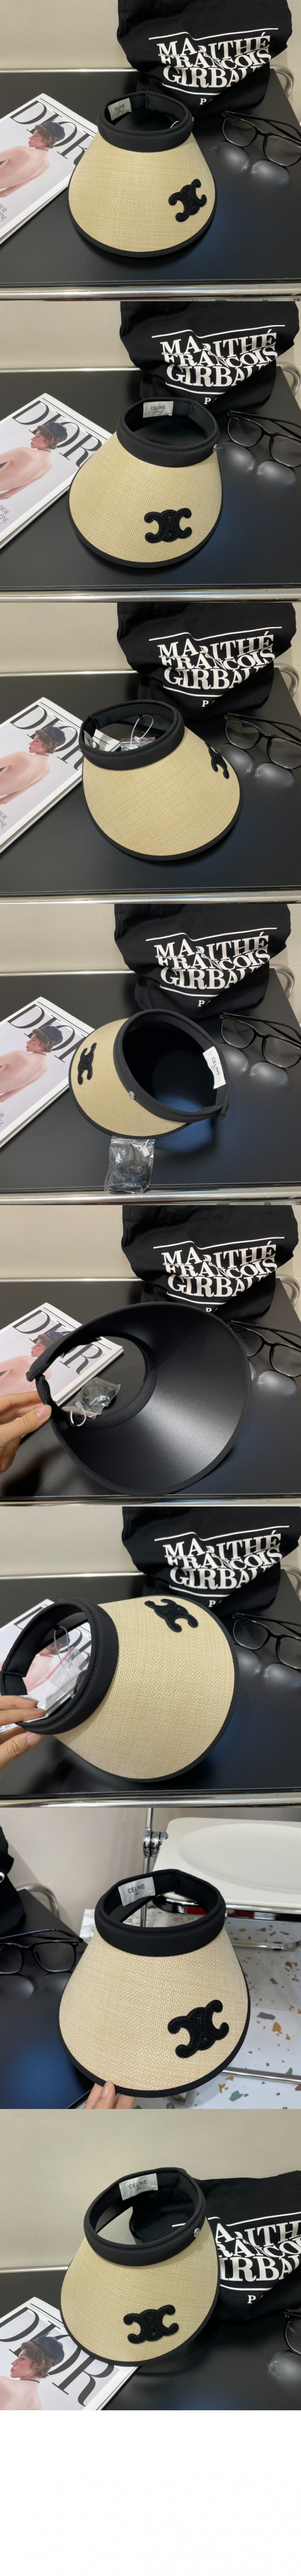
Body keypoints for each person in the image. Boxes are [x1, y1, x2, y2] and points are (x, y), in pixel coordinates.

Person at [0, 414, 68, 501]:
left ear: (50, 440)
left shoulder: (23, 452)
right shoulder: (48, 467)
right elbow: (7, 496)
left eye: (38, 436)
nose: (33, 439)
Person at [0, 719, 67, 807]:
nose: (31, 743)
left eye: (36, 741)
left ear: (48, 745)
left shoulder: (22, 756)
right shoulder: (46, 771)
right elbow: (5, 801)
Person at [0, 1016, 64, 1106]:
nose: (28, 1042)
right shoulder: (43, 1070)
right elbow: (3, 1099)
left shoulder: (19, 1055)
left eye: (34, 1040)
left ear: (45, 1044)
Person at [0, 115, 66, 199]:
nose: (30, 138)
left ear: (48, 140)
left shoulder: (21, 150)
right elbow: (5, 194)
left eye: (36, 136)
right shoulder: (45, 166)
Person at [0, 2327, 65, 2410]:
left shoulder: (3, 2383)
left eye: (23, 2359)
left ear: (39, 2364)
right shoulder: (37, 2406)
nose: (14, 2363)